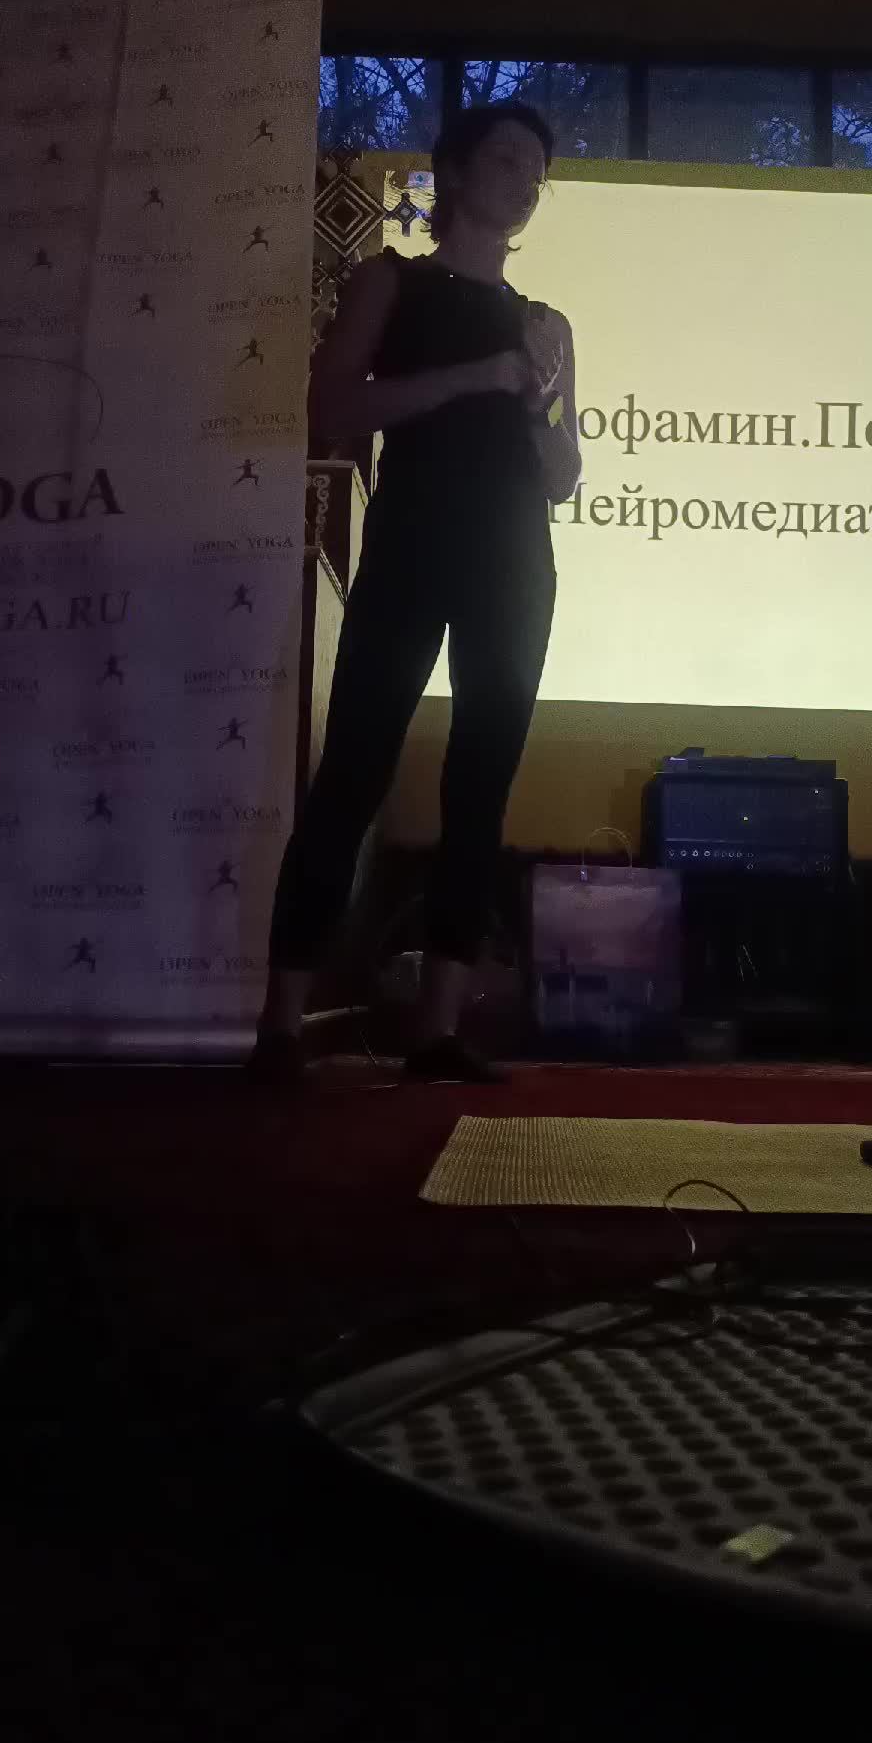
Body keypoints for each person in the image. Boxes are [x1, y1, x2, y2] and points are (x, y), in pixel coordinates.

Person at [249, 102, 581, 1085]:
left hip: (513, 561)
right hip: (410, 545)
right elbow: (332, 407)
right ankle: (280, 1024)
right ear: (456, 171)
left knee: (482, 786)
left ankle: (436, 1032)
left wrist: (537, 405)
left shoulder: (548, 324)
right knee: (353, 769)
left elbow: (565, 477)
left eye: (539, 167)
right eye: (509, 157)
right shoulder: (390, 280)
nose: (526, 177)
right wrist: (476, 374)